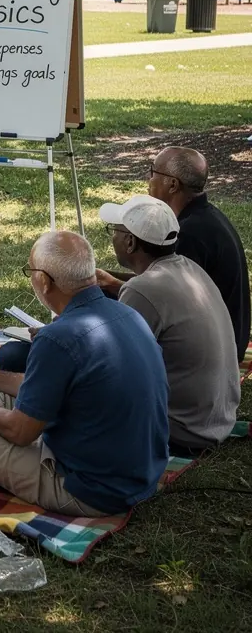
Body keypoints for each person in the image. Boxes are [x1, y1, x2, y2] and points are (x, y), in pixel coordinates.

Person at [0, 231, 169, 517]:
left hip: (90, 491)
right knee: (6, 391)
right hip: (141, 474)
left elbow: (20, 432)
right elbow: (45, 388)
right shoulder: (127, 313)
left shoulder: (57, 338)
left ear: (43, 280)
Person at [98, 194, 240, 456]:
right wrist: (110, 282)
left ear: (130, 242)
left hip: (183, 432)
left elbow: (111, 366)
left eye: (114, 231)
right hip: (216, 420)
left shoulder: (142, 290)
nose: (112, 238)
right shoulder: (190, 268)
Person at [130, 147, 247, 363]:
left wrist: (113, 287)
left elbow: (166, 301)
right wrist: (112, 281)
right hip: (229, 335)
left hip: (219, 351)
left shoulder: (189, 234)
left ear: (172, 184)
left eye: (152, 171)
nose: (148, 178)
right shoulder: (206, 216)